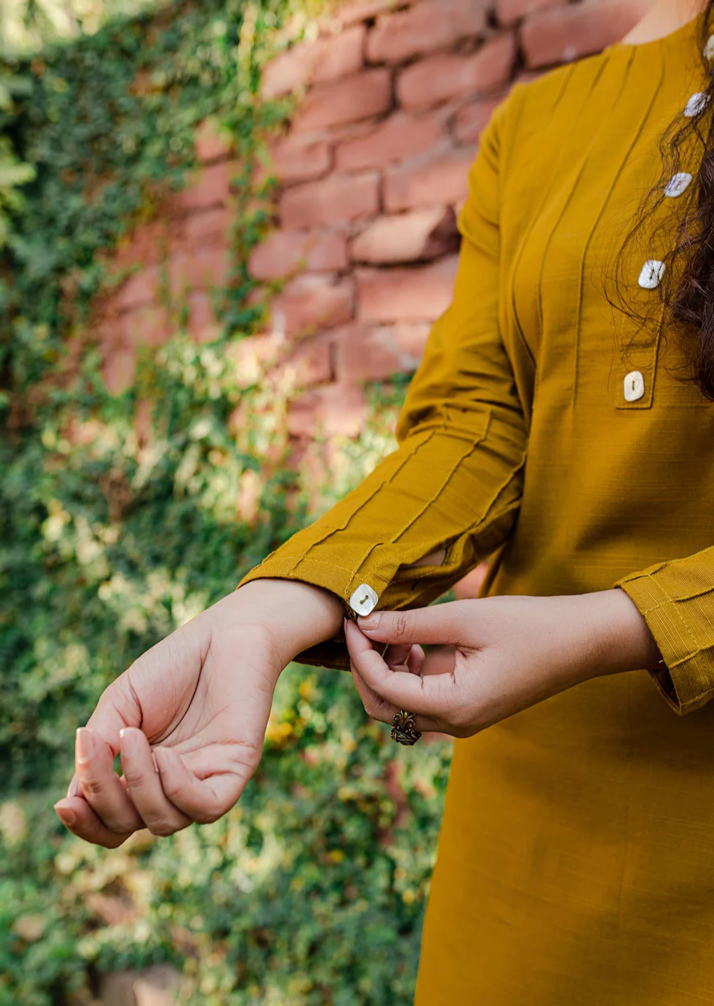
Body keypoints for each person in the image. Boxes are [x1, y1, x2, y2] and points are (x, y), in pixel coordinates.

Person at [53, 0, 714, 999]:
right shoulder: (536, 125)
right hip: (526, 835)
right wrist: (266, 614)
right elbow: (478, 430)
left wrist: (616, 627)